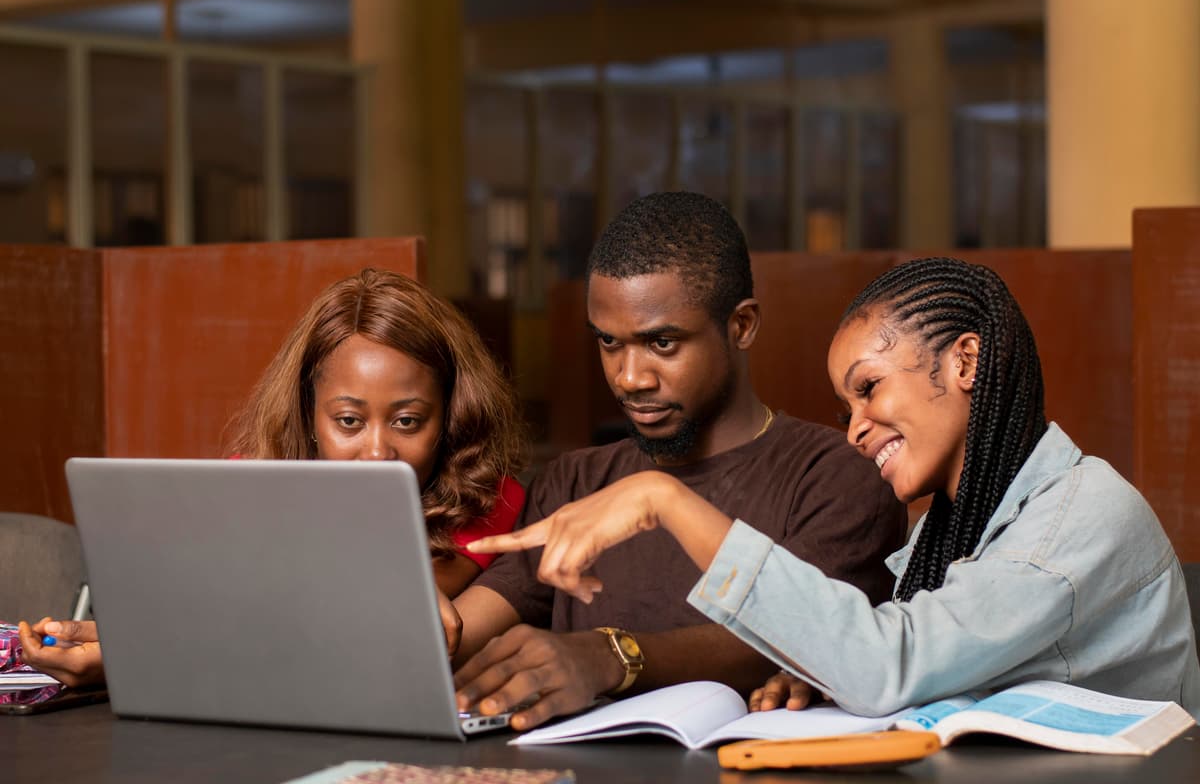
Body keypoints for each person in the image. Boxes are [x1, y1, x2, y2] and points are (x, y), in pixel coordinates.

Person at [470, 255, 1200, 720]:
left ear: (965, 362)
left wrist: (663, 500)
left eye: (870, 388)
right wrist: (824, 678)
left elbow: (892, 663)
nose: (855, 429)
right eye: (845, 407)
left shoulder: (1080, 516)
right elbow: (909, 667)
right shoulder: (950, 530)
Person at [450, 191, 907, 731]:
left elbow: (804, 634)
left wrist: (607, 658)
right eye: (609, 343)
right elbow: (462, 629)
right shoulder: (574, 480)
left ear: (741, 326)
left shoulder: (836, 476)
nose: (629, 377)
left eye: (662, 343)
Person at [20, 268, 527, 687]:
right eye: (348, 421)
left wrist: (137, 653)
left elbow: (356, 624)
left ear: (451, 418)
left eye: (408, 421)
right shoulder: (248, 483)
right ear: (309, 415)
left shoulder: (490, 500)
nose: (378, 453)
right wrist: (120, 647)